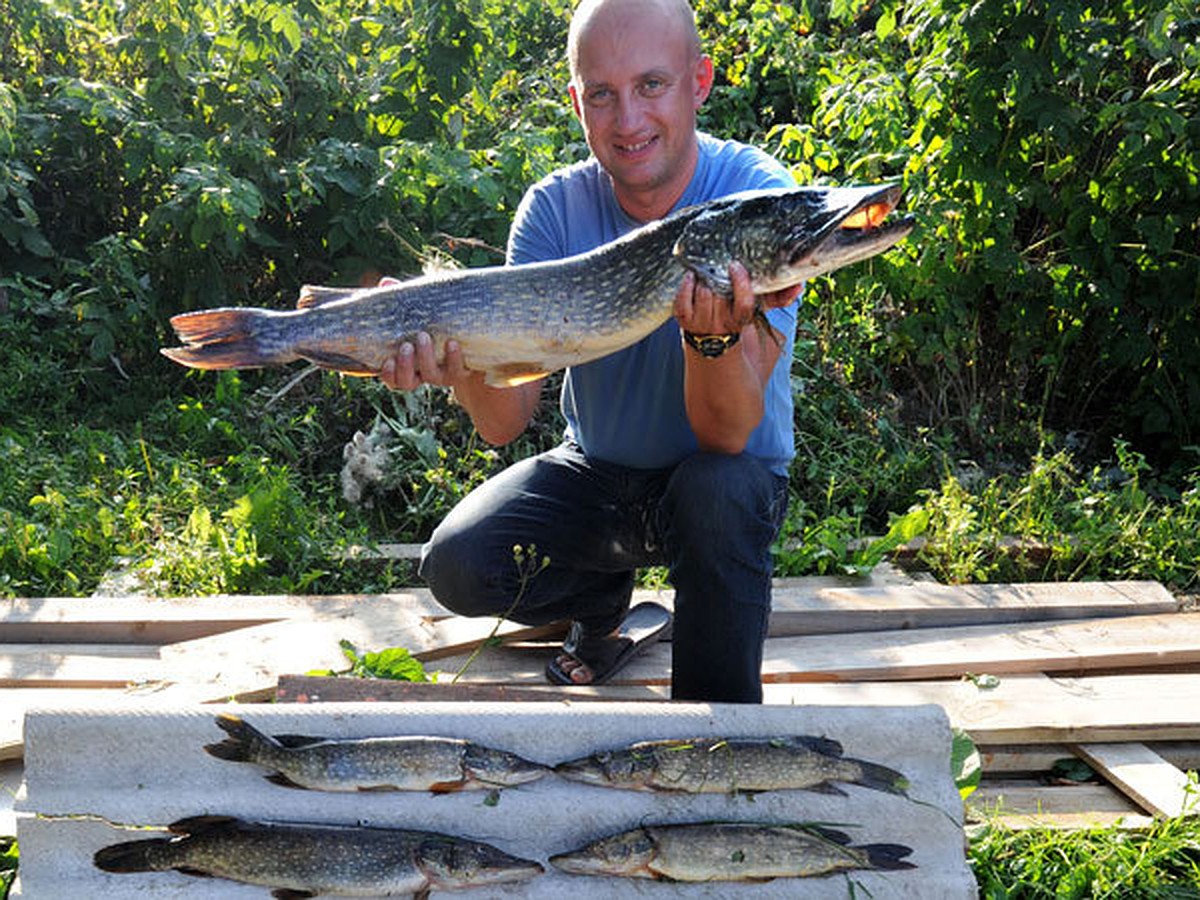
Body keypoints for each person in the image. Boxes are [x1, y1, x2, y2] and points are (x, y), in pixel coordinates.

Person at [379, 0, 800, 703]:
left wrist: (713, 336)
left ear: (699, 82)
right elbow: (504, 422)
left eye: (651, 85)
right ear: (577, 103)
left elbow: (728, 436)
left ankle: (713, 735)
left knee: (717, 493)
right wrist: (460, 366)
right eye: (602, 94)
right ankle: (601, 607)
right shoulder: (553, 210)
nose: (628, 120)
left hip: (723, 480)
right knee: (459, 563)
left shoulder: (757, 200)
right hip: (600, 476)